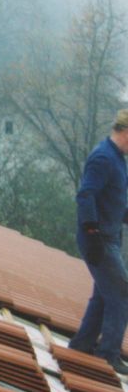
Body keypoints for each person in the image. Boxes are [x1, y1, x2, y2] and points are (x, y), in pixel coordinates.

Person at [68, 109, 128, 375]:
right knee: (121, 294)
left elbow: (110, 198)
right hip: (99, 239)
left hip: (109, 236)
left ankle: (82, 344)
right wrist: (91, 232)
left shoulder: (118, 159)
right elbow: (86, 195)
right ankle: (109, 354)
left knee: (104, 294)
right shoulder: (104, 158)